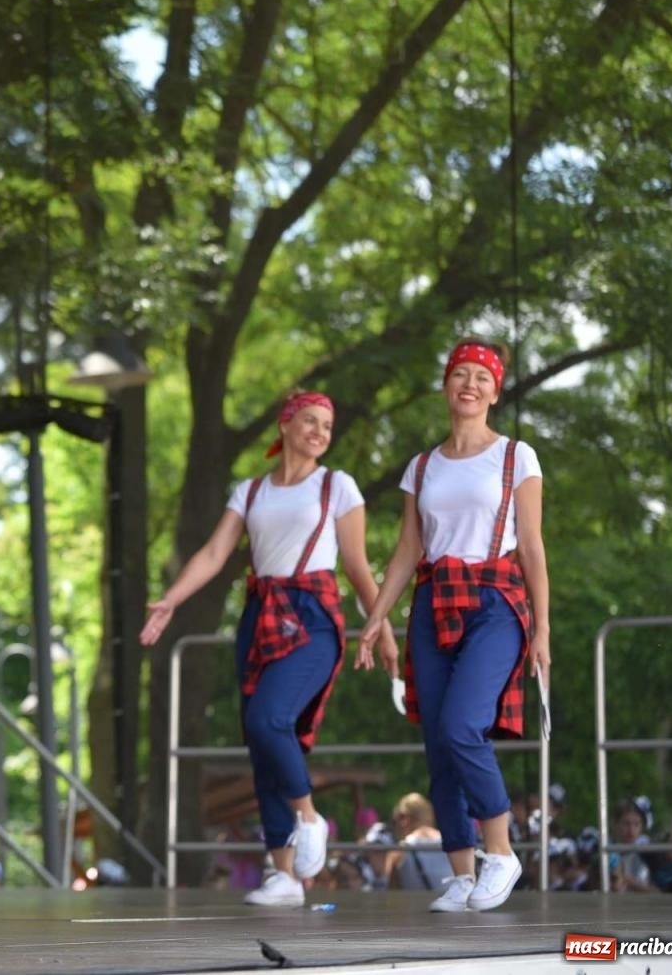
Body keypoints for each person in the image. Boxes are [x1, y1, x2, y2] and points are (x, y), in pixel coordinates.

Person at [141, 391, 378, 907]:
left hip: (313, 616)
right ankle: (285, 875)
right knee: (263, 744)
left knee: (269, 719)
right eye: (310, 421)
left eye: (327, 425)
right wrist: (171, 602)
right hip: (261, 616)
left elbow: (358, 566)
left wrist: (378, 624)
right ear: (286, 424)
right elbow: (212, 553)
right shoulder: (250, 492)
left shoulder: (336, 486)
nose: (319, 431)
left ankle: (309, 818)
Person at [360, 337, 549, 913]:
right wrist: (377, 616)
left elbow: (534, 547)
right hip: (433, 602)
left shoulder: (517, 457)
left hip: (495, 600)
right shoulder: (422, 466)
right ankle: (463, 873)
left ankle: (502, 852)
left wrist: (542, 629)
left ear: (494, 392)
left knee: (465, 724)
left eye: (482, 377)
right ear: (446, 387)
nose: (470, 384)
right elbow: (407, 548)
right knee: (438, 742)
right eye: (460, 374)